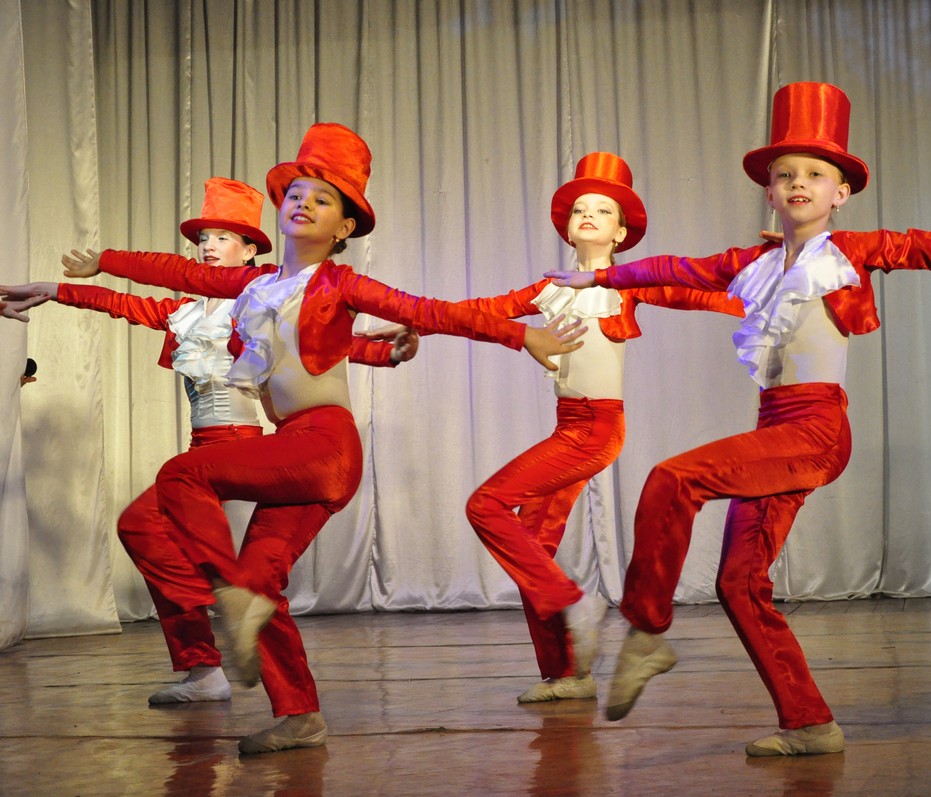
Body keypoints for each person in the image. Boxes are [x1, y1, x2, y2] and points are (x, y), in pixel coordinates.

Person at [546, 82, 931, 756]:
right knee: (739, 582)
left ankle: (647, 631)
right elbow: (675, 268)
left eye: (815, 174)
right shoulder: (753, 263)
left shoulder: (852, 251)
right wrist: (600, 278)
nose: (798, 183)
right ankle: (809, 723)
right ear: (769, 191)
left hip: (815, 430)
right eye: (785, 174)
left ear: (840, 192)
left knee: (672, 479)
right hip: (773, 432)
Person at [56, 123, 584, 754]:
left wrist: (523, 335)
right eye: (295, 194)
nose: (302, 203)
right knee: (262, 579)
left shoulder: (339, 284)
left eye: (322, 199)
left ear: (343, 227)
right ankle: (300, 715)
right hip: (294, 451)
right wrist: (97, 266)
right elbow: (176, 273)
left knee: (181, 475)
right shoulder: (254, 284)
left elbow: (431, 311)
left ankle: (228, 598)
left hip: (324, 445)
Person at [1, 177, 410, 705]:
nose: (208, 247)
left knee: (229, 553)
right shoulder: (185, 314)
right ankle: (204, 665)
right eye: (202, 239)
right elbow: (119, 303)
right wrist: (53, 290)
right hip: (202, 447)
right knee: (140, 527)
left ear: (250, 249)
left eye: (222, 237)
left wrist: (386, 351)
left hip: (241, 443)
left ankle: (233, 603)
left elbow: (328, 342)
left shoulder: (262, 297)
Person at [458, 152, 743, 703]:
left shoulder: (626, 286)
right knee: (532, 549)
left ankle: (574, 608)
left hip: (596, 430)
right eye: (579, 209)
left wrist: (773, 295)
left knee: (493, 512)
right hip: (567, 428)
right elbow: (477, 310)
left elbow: (700, 294)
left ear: (621, 232)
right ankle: (568, 673)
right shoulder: (546, 289)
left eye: (603, 209)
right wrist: (406, 318)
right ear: (567, 227)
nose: (588, 215)